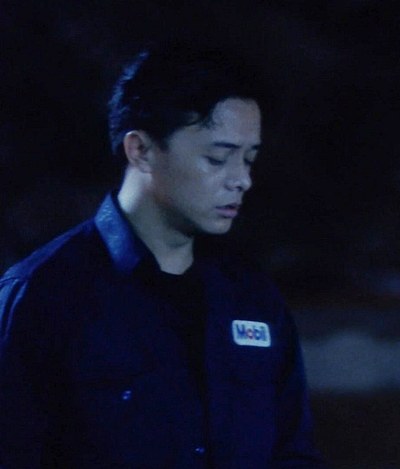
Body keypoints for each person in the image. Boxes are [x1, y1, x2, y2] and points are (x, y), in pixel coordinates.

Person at [0, 44, 326, 468]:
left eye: (249, 159)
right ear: (141, 150)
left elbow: (293, 453)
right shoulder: (46, 296)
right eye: (218, 158)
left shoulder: (251, 298)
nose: (242, 179)